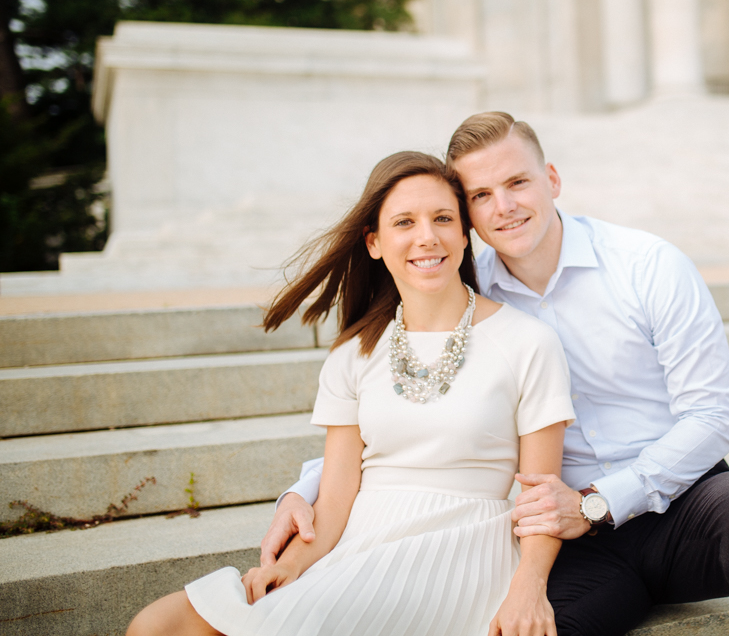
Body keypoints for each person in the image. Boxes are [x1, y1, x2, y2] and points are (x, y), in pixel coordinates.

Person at [266, 113, 729, 636]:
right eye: (481, 195)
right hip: (567, 544)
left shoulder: (648, 266)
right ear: (467, 215)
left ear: (552, 179)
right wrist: (307, 488)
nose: (505, 206)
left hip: (679, 505)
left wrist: (599, 501)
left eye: (518, 183)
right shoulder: (468, 294)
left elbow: (712, 416)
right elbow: (410, 416)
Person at [127, 152, 576, 636]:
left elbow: (541, 496)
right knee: (158, 624)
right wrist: (295, 562)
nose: (427, 236)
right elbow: (338, 491)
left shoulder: (528, 342)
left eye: (443, 218)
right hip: (362, 536)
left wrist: (529, 586)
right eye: (405, 222)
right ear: (375, 242)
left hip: (461, 545)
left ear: (465, 234)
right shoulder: (353, 353)